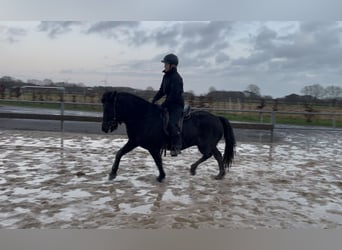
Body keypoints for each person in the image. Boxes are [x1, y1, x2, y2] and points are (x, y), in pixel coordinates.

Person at [152, 53, 184, 157]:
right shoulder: (166, 76)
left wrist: (163, 105)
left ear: (172, 65)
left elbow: (173, 96)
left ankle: (177, 145)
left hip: (176, 105)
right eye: (165, 64)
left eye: (166, 63)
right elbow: (162, 91)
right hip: (169, 104)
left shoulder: (177, 78)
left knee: (171, 123)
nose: (164, 65)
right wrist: (153, 100)